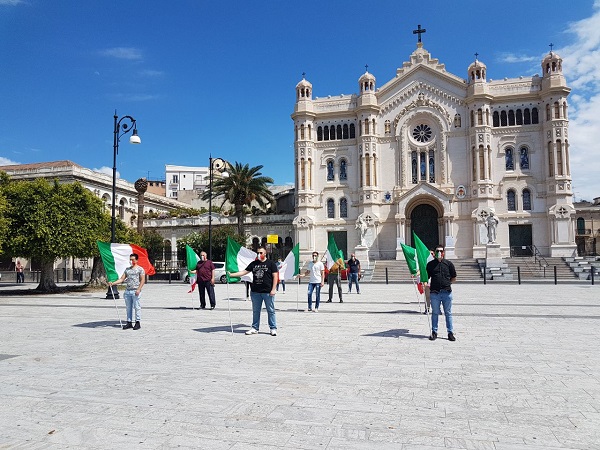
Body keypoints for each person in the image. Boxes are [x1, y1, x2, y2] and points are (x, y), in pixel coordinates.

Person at [228, 247, 278, 336]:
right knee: (256, 311)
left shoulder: (271, 264)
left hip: (267, 292)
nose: (259, 254)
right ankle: (255, 328)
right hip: (255, 292)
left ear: (265, 253)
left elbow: (275, 276)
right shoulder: (254, 264)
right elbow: (243, 272)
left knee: (270, 310)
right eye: (258, 252)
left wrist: (273, 289)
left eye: (261, 253)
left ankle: (273, 328)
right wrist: (231, 275)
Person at [426, 245, 457, 342]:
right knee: (435, 312)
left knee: (448, 313)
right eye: (437, 251)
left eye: (441, 251)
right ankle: (434, 332)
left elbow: (454, 277)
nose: (439, 252)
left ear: (443, 252)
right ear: (435, 253)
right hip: (435, 293)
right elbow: (426, 277)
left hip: (446, 292)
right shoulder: (430, 265)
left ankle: (450, 332)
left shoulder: (449, 264)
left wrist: (447, 284)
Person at [109, 253, 146, 330]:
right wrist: (113, 283)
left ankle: (137, 322)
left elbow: (142, 280)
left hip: (135, 290)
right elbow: (122, 279)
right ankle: (129, 322)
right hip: (128, 291)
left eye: (133, 259)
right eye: (130, 259)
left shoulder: (140, 269)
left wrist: (139, 289)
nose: (131, 261)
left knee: (137, 307)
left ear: (136, 260)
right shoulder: (127, 269)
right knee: (128, 307)